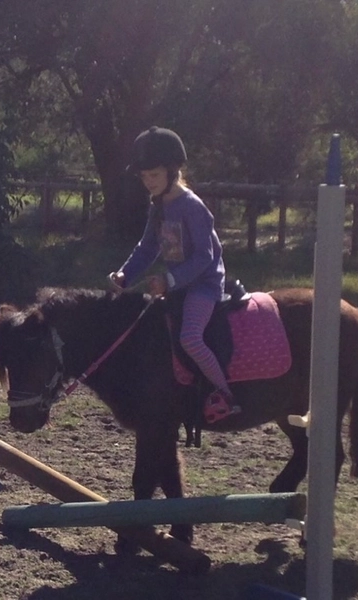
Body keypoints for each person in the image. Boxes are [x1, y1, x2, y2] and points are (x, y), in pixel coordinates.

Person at [108, 126, 241, 423]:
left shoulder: (193, 207)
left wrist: (169, 280)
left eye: (154, 175)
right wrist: (125, 275)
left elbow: (205, 257)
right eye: (144, 177)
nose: (149, 182)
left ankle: (225, 394)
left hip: (204, 284)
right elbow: (147, 248)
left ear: (172, 171)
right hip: (179, 284)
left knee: (190, 337)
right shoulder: (157, 207)